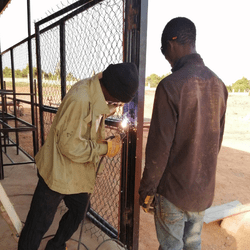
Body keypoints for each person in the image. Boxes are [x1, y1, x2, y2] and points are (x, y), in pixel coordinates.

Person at [18, 62, 139, 250]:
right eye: (118, 101)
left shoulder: (97, 90)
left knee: (80, 210)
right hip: (57, 171)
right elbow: (69, 146)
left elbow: (84, 132)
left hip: (75, 171)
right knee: (38, 224)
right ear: (112, 93)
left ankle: (56, 246)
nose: (118, 105)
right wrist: (104, 148)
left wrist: (103, 140)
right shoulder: (80, 99)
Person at [139, 17, 228, 250]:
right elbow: (215, 143)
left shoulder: (170, 86)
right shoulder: (219, 85)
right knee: (193, 244)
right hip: (201, 192)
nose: (165, 57)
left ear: (171, 44)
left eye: (163, 50)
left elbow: (159, 148)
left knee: (171, 246)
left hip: (173, 193)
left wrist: (147, 190)